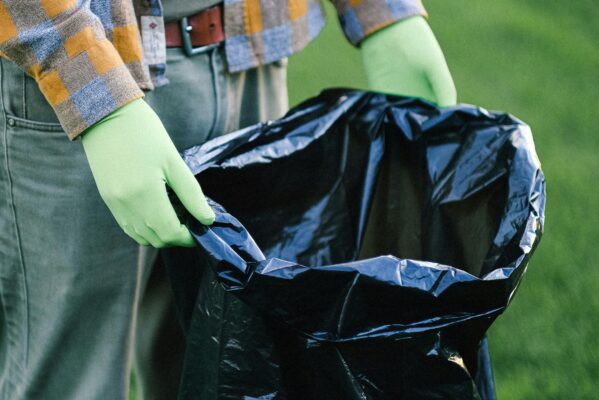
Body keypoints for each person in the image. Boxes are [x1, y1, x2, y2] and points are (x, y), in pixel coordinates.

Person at [0, 0, 455, 399]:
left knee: (234, 369)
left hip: (251, 56)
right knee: (72, 381)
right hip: (76, 85)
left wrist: (383, 10)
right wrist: (88, 88)